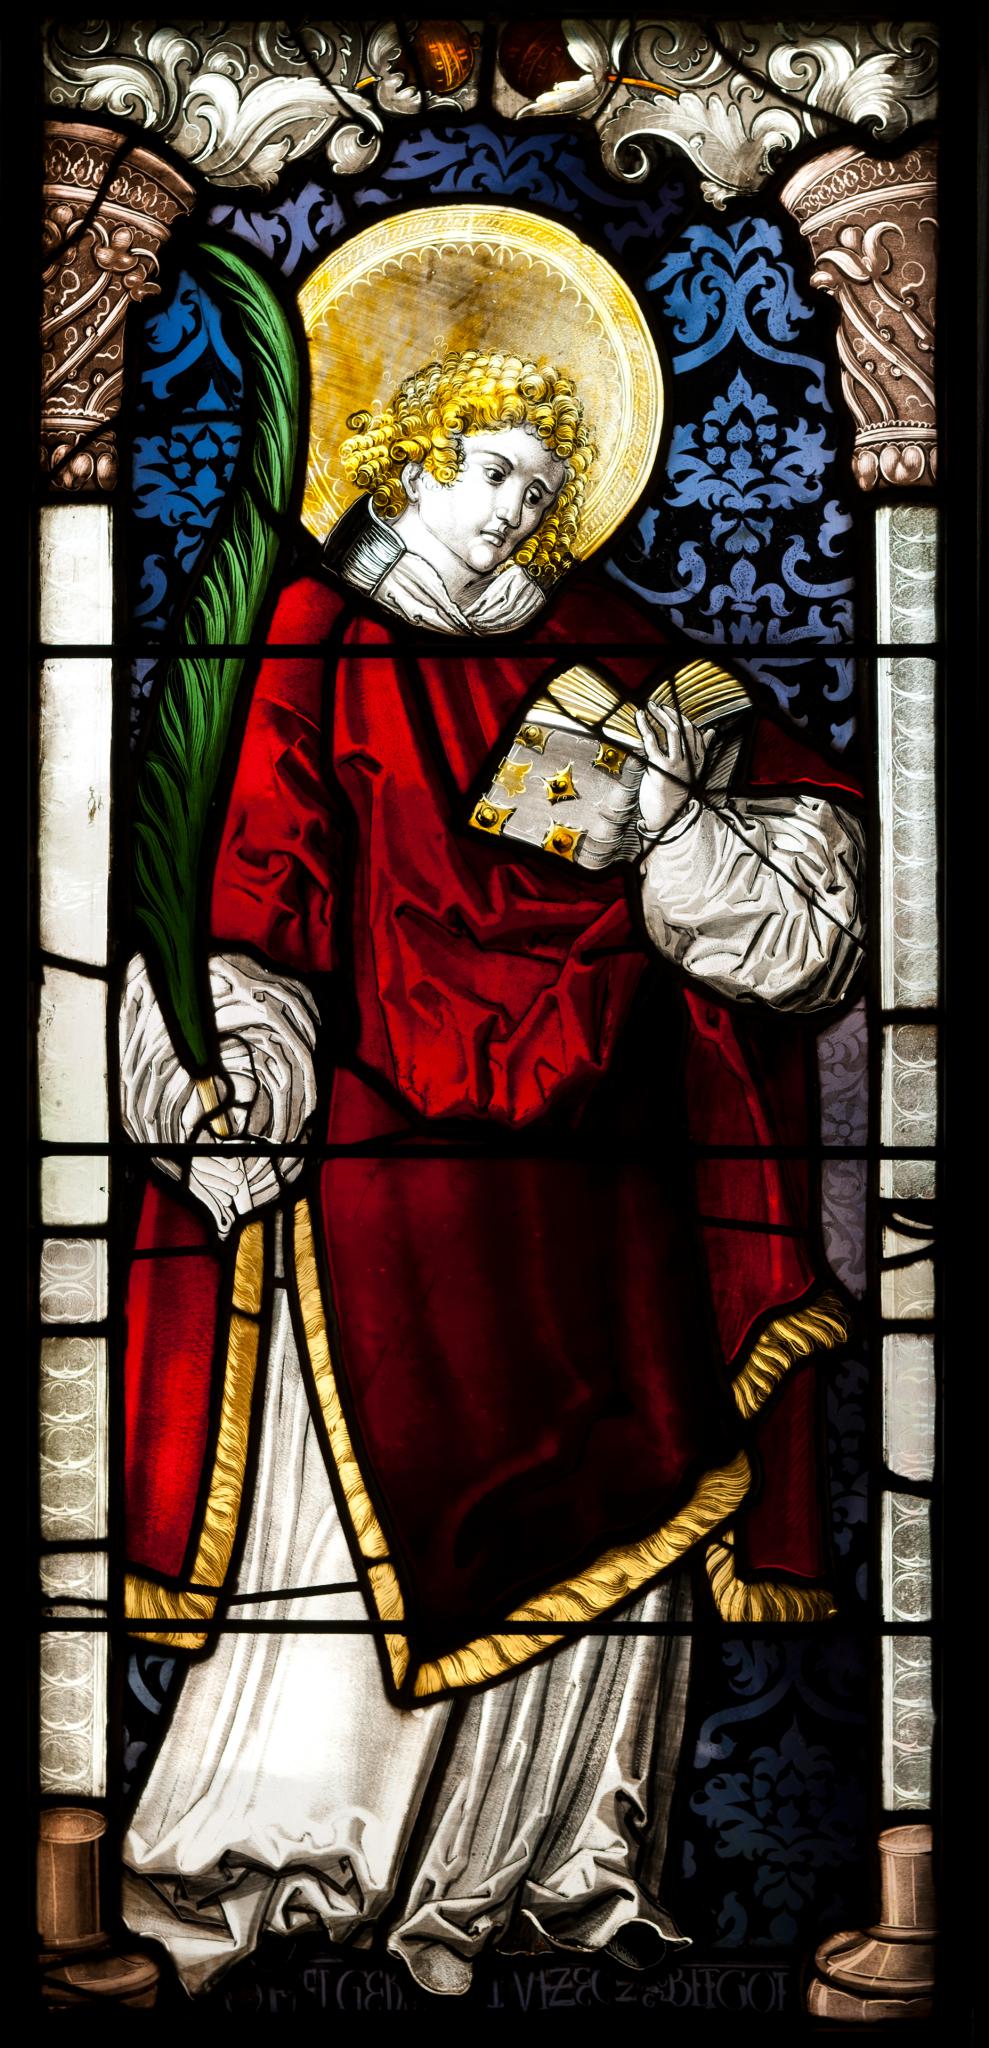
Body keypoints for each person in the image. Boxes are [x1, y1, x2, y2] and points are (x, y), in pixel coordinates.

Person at [119, 349, 864, 1995]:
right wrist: (239, 1049)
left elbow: (805, 870)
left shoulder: (608, 642)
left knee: (613, 1484)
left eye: (542, 483)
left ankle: (539, 1871)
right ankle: (299, 1859)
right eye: (492, 473)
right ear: (401, 468)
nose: (522, 509)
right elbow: (249, 879)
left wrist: (676, 830)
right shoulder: (311, 636)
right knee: (340, 1539)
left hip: (606, 1174)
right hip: (382, 1166)